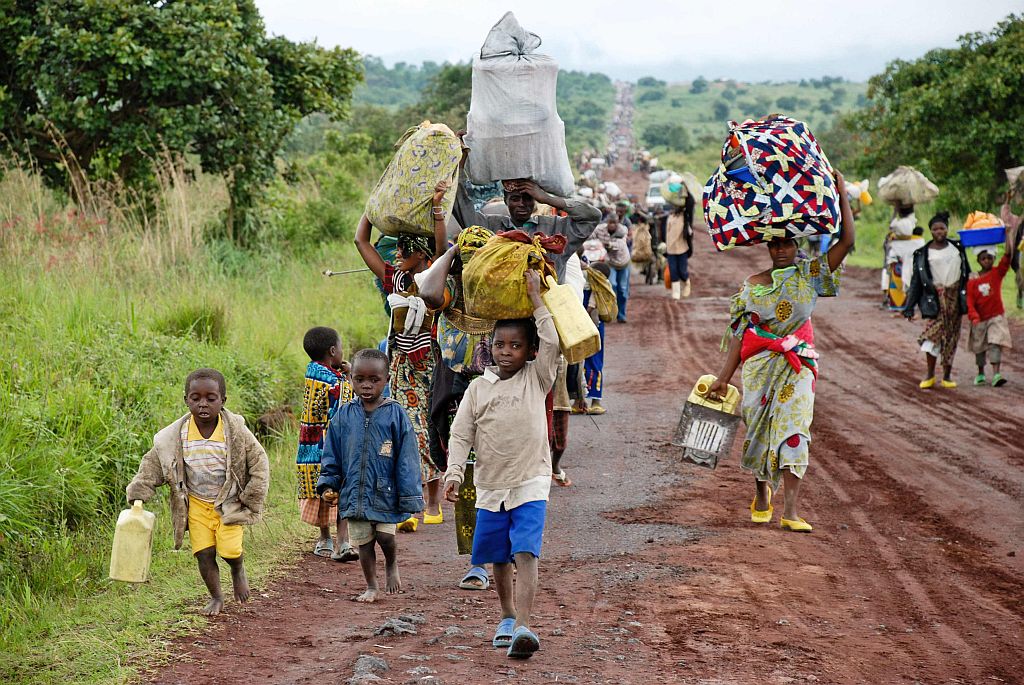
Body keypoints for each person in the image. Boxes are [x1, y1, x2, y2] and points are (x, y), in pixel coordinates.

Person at [708, 171, 856, 534]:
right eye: (774, 245)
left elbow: (847, 240)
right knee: (757, 430)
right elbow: (741, 336)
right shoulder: (752, 287)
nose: (780, 251)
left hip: (798, 364)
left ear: (798, 245)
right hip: (758, 367)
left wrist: (842, 195)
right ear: (766, 247)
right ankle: (762, 493)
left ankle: (790, 510)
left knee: (794, 430)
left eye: (787, 244)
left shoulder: (811, 275)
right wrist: (722, 379)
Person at [443, 270, 558, 660]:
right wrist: (455, 471)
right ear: (489, 347)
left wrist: (536, 299)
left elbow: (554, 341)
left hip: (531, 481)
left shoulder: (537, 378)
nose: (506, 351)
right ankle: (507, 616)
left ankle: (525, 624)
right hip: (491, 486)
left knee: (526, 551)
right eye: (499, 344)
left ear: (530, 351)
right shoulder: (478, 388)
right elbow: (461, 435)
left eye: (515, 345)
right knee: (497, 555)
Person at [126, 368, 269, 615]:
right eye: (195, 398)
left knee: (230, 551)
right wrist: (140, 490)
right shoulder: (175, 435)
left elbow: (259, 461)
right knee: (204, 554)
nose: (203, 404)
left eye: (210, 398)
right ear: (186, 399)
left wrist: (251, 497)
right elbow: (154, 463)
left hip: (229, 502)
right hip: (196, 504)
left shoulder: (234, 432)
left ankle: (237, 569)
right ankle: (216, 596)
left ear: (223, 400)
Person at [354, 182, 448, 531]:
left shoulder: (433, 278)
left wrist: (437, 209)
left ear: (422, 255)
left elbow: (441, 249)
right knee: (408, 431)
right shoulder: (394, 279)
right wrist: (372, 207)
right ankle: (412, 505)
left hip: (431, 366)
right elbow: (361, 242)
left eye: (405, 249)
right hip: (401, 366)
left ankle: (433, 502)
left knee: (431, 430)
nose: (396, 254)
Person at [418, 225, 498, 591]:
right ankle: (478, 561)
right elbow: (427, 291)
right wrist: (449, 254)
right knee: (466, 475)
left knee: (498, 475)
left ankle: (501, 553)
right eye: (468, 258)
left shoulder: (501, 292)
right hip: (457, 391)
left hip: (500, 392)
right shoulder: (449, 290)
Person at [317, 348, 425, 603]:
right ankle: (371, 586)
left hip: (386, 491)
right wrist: (328, 484)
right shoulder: (343, 415)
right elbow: (331, 454)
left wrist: (409, 495)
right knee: (364, 544)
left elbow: (408, 459)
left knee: (386, 536)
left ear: (386, 380)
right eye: (359, 379)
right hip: (354, 493)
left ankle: (391, 563)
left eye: (374, 380)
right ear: (351, 378)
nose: (366, 386)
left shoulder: (396, 414)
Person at [452, 135, 602, 282]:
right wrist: (460, 161)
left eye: (528, 198)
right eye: (515, 199)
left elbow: (592, 217)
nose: (522, 204)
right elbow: (461, 205)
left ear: (536, 200)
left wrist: (547, 198)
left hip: (545, 306)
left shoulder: (555, 228)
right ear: (506, 200)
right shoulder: (491, 226)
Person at [296, 326, 358, 561]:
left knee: (321, 490)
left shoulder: (312, 372)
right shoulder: (335, 380)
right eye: (341, 348)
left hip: (310, 445)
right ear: (333, 351)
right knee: (340, 487)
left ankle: (324, 539)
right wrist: (350, 374)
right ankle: (343, 542)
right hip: (331, 445)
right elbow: (348, 401)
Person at [903, 212, 970, 389]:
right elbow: (916, 282)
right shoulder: (923, 254)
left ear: (947, 229)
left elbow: (967, 273)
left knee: (951, 337)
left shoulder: (957, 248)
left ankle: (947, 376)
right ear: (930, 231)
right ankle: (930, 374)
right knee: (930, 337)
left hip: (954, 299)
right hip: (935, 300)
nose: (939, 231)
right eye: (935, 229)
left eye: (942, 228)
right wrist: (909, 307)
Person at [967, 233, 1014, 386]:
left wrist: (1009, 235)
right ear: (978, 260)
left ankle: (996, 375)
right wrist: (973, 315)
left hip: (996, 317)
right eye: (983, 258)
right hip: (979, 319)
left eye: (989, 258)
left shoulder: (997, 273)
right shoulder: (973, 280)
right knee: (979, 348)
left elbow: (1007, 256)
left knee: (995, 343)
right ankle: (980, 373)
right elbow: (970, 301)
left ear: (993, 258)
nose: (986, 261)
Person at [593, 213, 631, 323]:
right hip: (610, 262)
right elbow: (591, 235)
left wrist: (606, 244)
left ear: (618, 223)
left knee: (623, 289)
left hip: (623, 262)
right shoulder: (600, 229)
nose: (612, 225)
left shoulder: (622, 230)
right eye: (610, 223)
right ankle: (611, 313)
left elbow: (620, 245)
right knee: (612, 285)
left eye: (615, 223)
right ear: (607, 222)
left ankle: (622, 315)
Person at [882, 205, 921, 310]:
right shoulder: (912, 222)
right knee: (909, 279)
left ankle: (896, 305)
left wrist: (895, 211)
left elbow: (891, 225)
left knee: (895, 281)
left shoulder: (899, 224)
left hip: (897, 257)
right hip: (907, 258)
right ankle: (908, 305)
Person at [665, 193, 695, 300]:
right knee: (673, 271)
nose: (674, 207)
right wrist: (666, 246)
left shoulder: (685, 217)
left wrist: (686, 191)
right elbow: (667, 233)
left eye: (677, 206)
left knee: (682, 271)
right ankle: (676, 294)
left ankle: (686, 283)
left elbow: (691, 203)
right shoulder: (670, 216)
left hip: (682, 248)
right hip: (670, 249)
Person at [999, 196, 1024, 309]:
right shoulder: (1017, 222)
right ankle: (1020, 294)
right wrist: (1008, 200)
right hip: (1019, 259)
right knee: (1021, 281)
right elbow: (1006, 216)